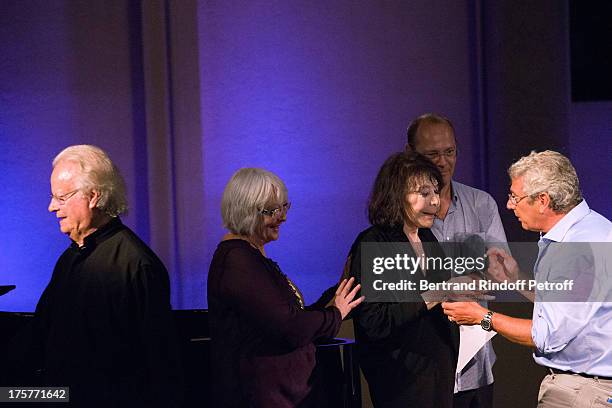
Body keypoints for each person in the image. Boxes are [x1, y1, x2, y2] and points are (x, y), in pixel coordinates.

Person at [11, 145, 183, 407]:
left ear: (93, 196)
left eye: (61, 197)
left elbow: (160, 365)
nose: (51, 207)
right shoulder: (69, 259)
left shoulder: (137, 264)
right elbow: (40, 336)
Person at [442, 150, 612, 407]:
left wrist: (481, 317)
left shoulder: (576, 248)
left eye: (515, 197)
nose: (510, 205)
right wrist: (515, 279)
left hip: (582, 391)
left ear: (543, 200)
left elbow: (546, 336)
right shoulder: (591, 229)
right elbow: (565, 303)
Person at [207, 167, 364, 408]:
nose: (283, 217)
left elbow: (291, 316)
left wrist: (339, 296)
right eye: (272, 210)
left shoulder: (249, 258)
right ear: (246, 210)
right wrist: (334, 314)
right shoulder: (238, 261)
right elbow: (289, 327)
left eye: (284, 207)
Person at [406, 113, 507, 407]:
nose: (442, 162)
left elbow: (501, 274)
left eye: (449, 152)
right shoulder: (400, 214)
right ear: (411, 154)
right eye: (432, 154)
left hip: (476, 365)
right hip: (422, 368)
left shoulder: (481, 203)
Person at [348, 152, 459, 407]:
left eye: (435, 192)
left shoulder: (428, 238)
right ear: (396, 196)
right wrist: (433, 296)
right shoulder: (374, 243)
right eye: (424, 193)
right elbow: (375, 323)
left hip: (438, 373)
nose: (434, 201)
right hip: (401, 381)